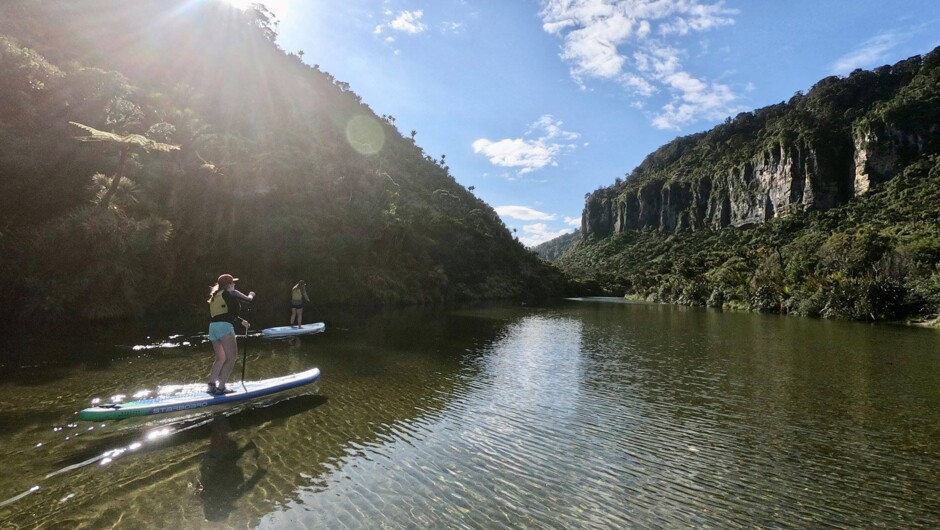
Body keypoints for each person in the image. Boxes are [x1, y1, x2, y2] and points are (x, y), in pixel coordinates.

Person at [207, 273, 255, 395]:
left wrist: (241, 321)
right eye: (233, 282)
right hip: (224, 328)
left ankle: (211, 385)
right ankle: (221, 387)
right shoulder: (231, 292)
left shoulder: (215, 295)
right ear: (229, 284)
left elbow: (224, 314)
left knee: (220, 359)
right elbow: (248, 300)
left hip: (213, 328)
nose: (234, 284)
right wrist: (252, 294)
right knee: (231, 358)